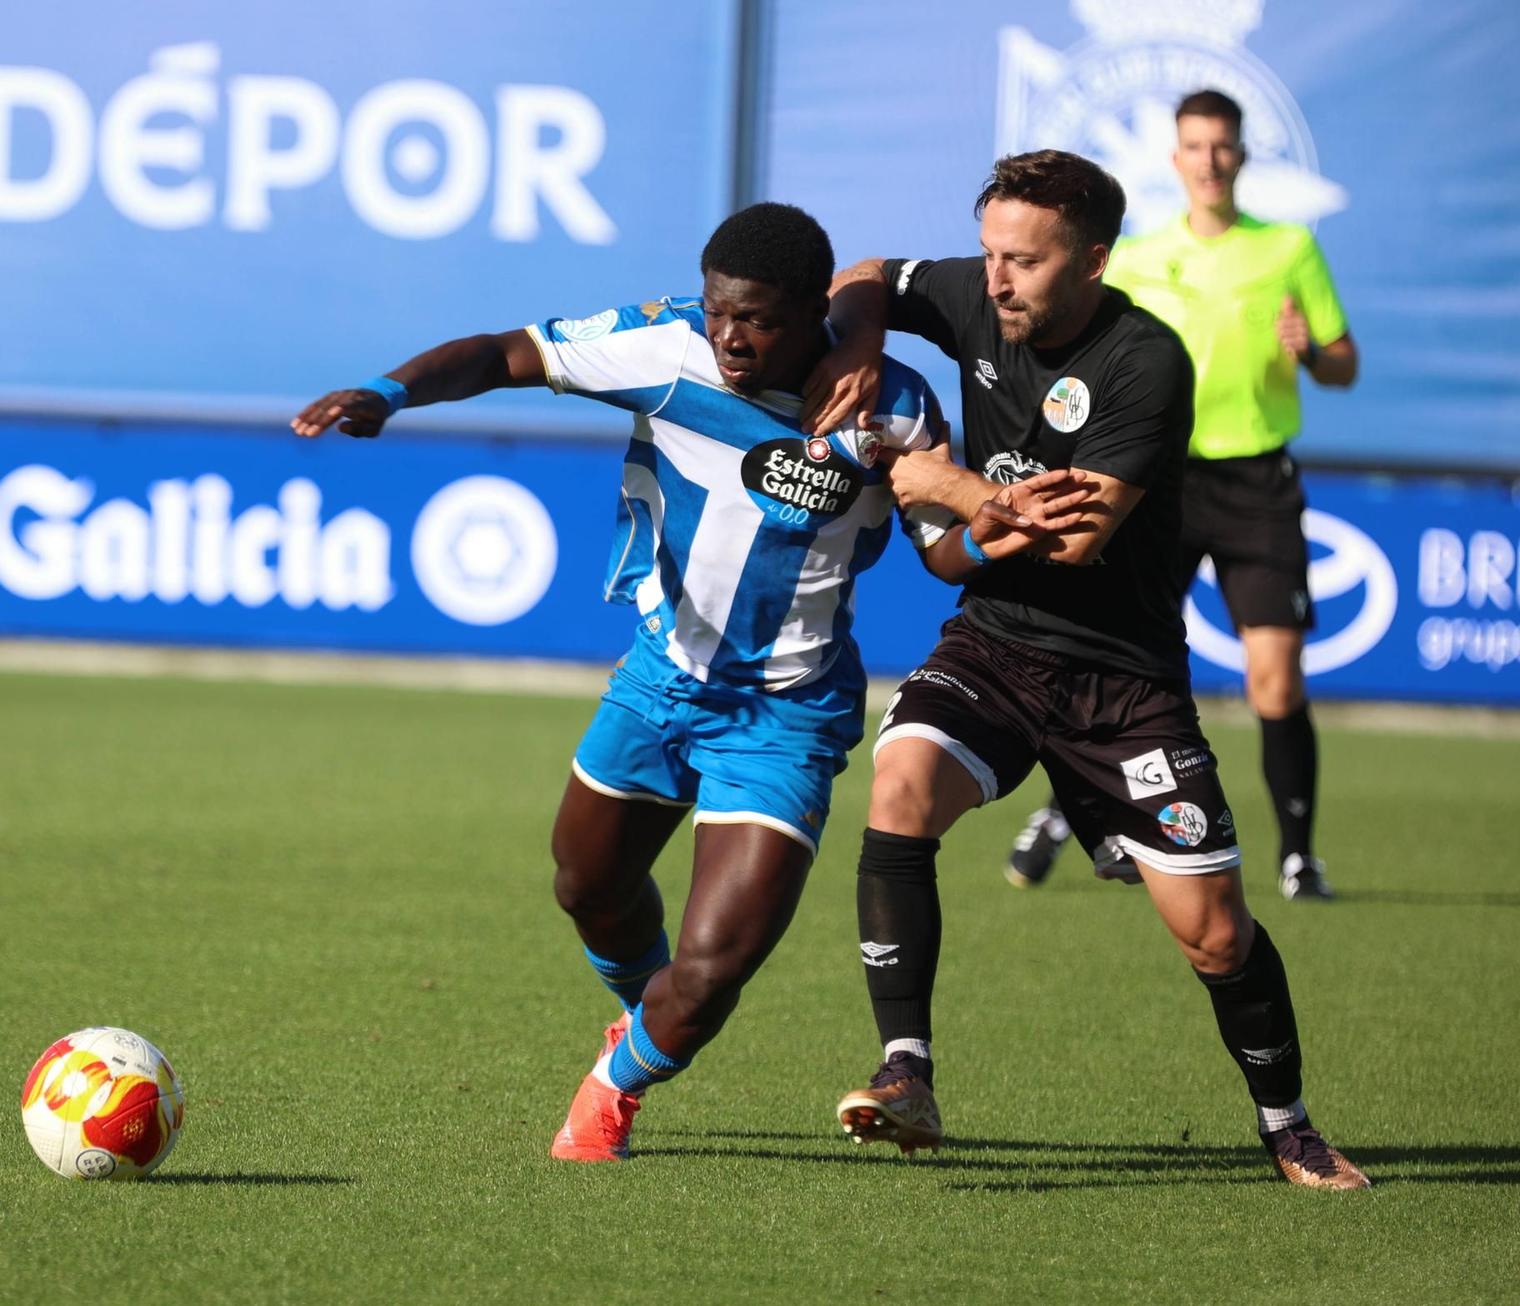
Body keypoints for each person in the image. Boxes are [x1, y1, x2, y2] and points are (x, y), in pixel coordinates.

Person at [291, 202, 1088, 1163]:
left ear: (813, 313)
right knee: (587, 886)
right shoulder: (665, 346)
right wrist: (388, 390)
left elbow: (941, 554)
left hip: (788, 715)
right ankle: (645, 1017)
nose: (728, 337)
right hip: (658, 682)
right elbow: (505, 353)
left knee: (713, 972)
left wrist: (990, 534)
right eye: (717, 312)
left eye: (753, 319)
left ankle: (614, 1087)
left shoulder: (895, 406)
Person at [800, 151, 1368, 1188]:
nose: (995, 279)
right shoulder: (976, 293)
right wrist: (864, 340)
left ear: (1094, 260)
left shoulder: (1143, 361)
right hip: (993, 643)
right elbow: (869, 269)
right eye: (987, 254)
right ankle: (904, 1072)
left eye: (1022, 260)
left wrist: (946, 482)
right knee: (899, 783)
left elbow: (1069, 539)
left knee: (1211, 934)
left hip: (1121, 680)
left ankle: (1286, 1123)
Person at [1003, 89, 1360, 901]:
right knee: (1111, 658)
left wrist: (1313, 354)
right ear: (1175, 157)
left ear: (1240, 154)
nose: (1209, 160)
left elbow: (1345, 364)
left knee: (1277, 678)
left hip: (1257, 483)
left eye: (1223, 146)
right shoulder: (1135, 257)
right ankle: (1068, 811)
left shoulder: (1289, 248)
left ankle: (1299, 857)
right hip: (1154, 482)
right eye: (1194, 146)